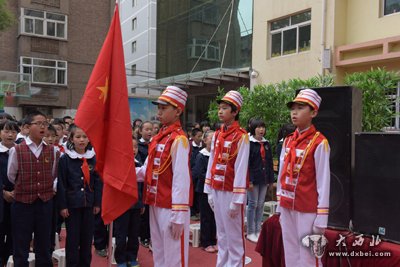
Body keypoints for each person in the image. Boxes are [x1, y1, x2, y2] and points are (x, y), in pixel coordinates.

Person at [136, 85, 192, 267]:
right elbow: (147, 171)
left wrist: (178, 214)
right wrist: (124, 174)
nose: (158, 112)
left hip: (171, 206)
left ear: (178, 111)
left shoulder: (179, 139)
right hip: (154, 202)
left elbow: (181, 180)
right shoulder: (158, 137)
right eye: (158, 108)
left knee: (174, 257)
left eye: (163, 108)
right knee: (159, 253)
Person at [277, 89, 331, 267]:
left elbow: (324, 182)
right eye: (293, 108)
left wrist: (321, 216)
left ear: (313, 112)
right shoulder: (288, 140)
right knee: (290, 250)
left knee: (308, 255)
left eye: (300, 108)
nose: (294, 112)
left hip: (307, 208)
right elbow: (282, 174)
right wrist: (279, 202)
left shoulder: (319, 142)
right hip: (287, 204)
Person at [7, 111, 60, 266]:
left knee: (44, 245)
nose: (43, 127)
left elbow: (52, 174)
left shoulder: (53, 151)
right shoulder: (16, 150)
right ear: (27, 127)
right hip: (22, 203)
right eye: (39, 123)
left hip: (44, 203)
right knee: (21, 244)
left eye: (45, 123)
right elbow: (12, 176)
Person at [204, 90, 250, 267]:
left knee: (234, 235)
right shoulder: (216, 134)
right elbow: (212, 162)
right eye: (220, 108)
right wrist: (208, 190)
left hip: (232, 191)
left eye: (225, 108)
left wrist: (237, 200)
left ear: (235, 111)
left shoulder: (242, 136)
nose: (220, 111)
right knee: (221, 233)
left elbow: (241, 168)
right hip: (216, 188)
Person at [57, 124, 102, 267]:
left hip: (88, 205)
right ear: (71, 139)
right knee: (73, 239)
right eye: (78, 137)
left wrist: (97, 203)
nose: (81, 140)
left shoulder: (93, 158)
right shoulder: (65, 159)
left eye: (84, 137)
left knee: (87, 239)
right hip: (72, 205)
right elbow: (62, 183)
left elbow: (97, 182)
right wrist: (63, 205)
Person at [114, 137, 144, 267]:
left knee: (134, 233)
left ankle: (132, 256)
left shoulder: (139, 164)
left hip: (136, 204)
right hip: (121, 205)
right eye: (130, 147)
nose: (133, 149)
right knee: (121, 233)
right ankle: (120, 259)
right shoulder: (118, 164)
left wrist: (142, 203)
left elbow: (142, 186)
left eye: (135, 146)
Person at [246, 118, 274, 243]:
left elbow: (269, 163)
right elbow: (247, 164)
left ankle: (258, 230)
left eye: (263, 127)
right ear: (253, 128)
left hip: (264, 178)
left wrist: (271, 180)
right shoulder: (249, 143)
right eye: (258, 127)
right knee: (253, 204)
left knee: (261, 204)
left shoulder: (266, 143)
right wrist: (249, 180)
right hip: (253, 179)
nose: (261, 130)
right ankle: (250, 231)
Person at [192, 130, 217, 253]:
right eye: (210, 138)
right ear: (205, 140)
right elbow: (198, 172)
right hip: (203, 190)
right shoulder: (201, 155)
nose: (213, 141)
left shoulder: (217, 154)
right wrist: (210, 178)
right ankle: (206, 241)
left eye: (215, 138)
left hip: (215, 189)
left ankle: (213, 240)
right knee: (206, 216)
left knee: (214, 216)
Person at [0, 121, 19, 266]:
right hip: (1, 199)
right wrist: (3, 191)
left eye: (13, 132)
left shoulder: (20, 151)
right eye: (6, 131)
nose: (10, 135)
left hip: (18, 199)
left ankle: (9, 261)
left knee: (15, 234)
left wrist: (16, 191)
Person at [136, 121, 153, 248]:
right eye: (146, 129)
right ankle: (143, 236)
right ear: (140, 131)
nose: (149, 131)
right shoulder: (139, 146)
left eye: (151, 129)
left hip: (152, 182)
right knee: (143, 211)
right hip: (141, 180)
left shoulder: (154, 144)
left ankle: (150, 235)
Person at [190, 128, 203, 220]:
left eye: (201, 136)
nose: (200, 138)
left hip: (200, 175)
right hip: (192, 174)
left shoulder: (203, 147)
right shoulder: (190, 147)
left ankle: (198, 211)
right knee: (192, 193)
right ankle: (192, 212)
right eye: (198, 136)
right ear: (193, 137)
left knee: (199, 194)